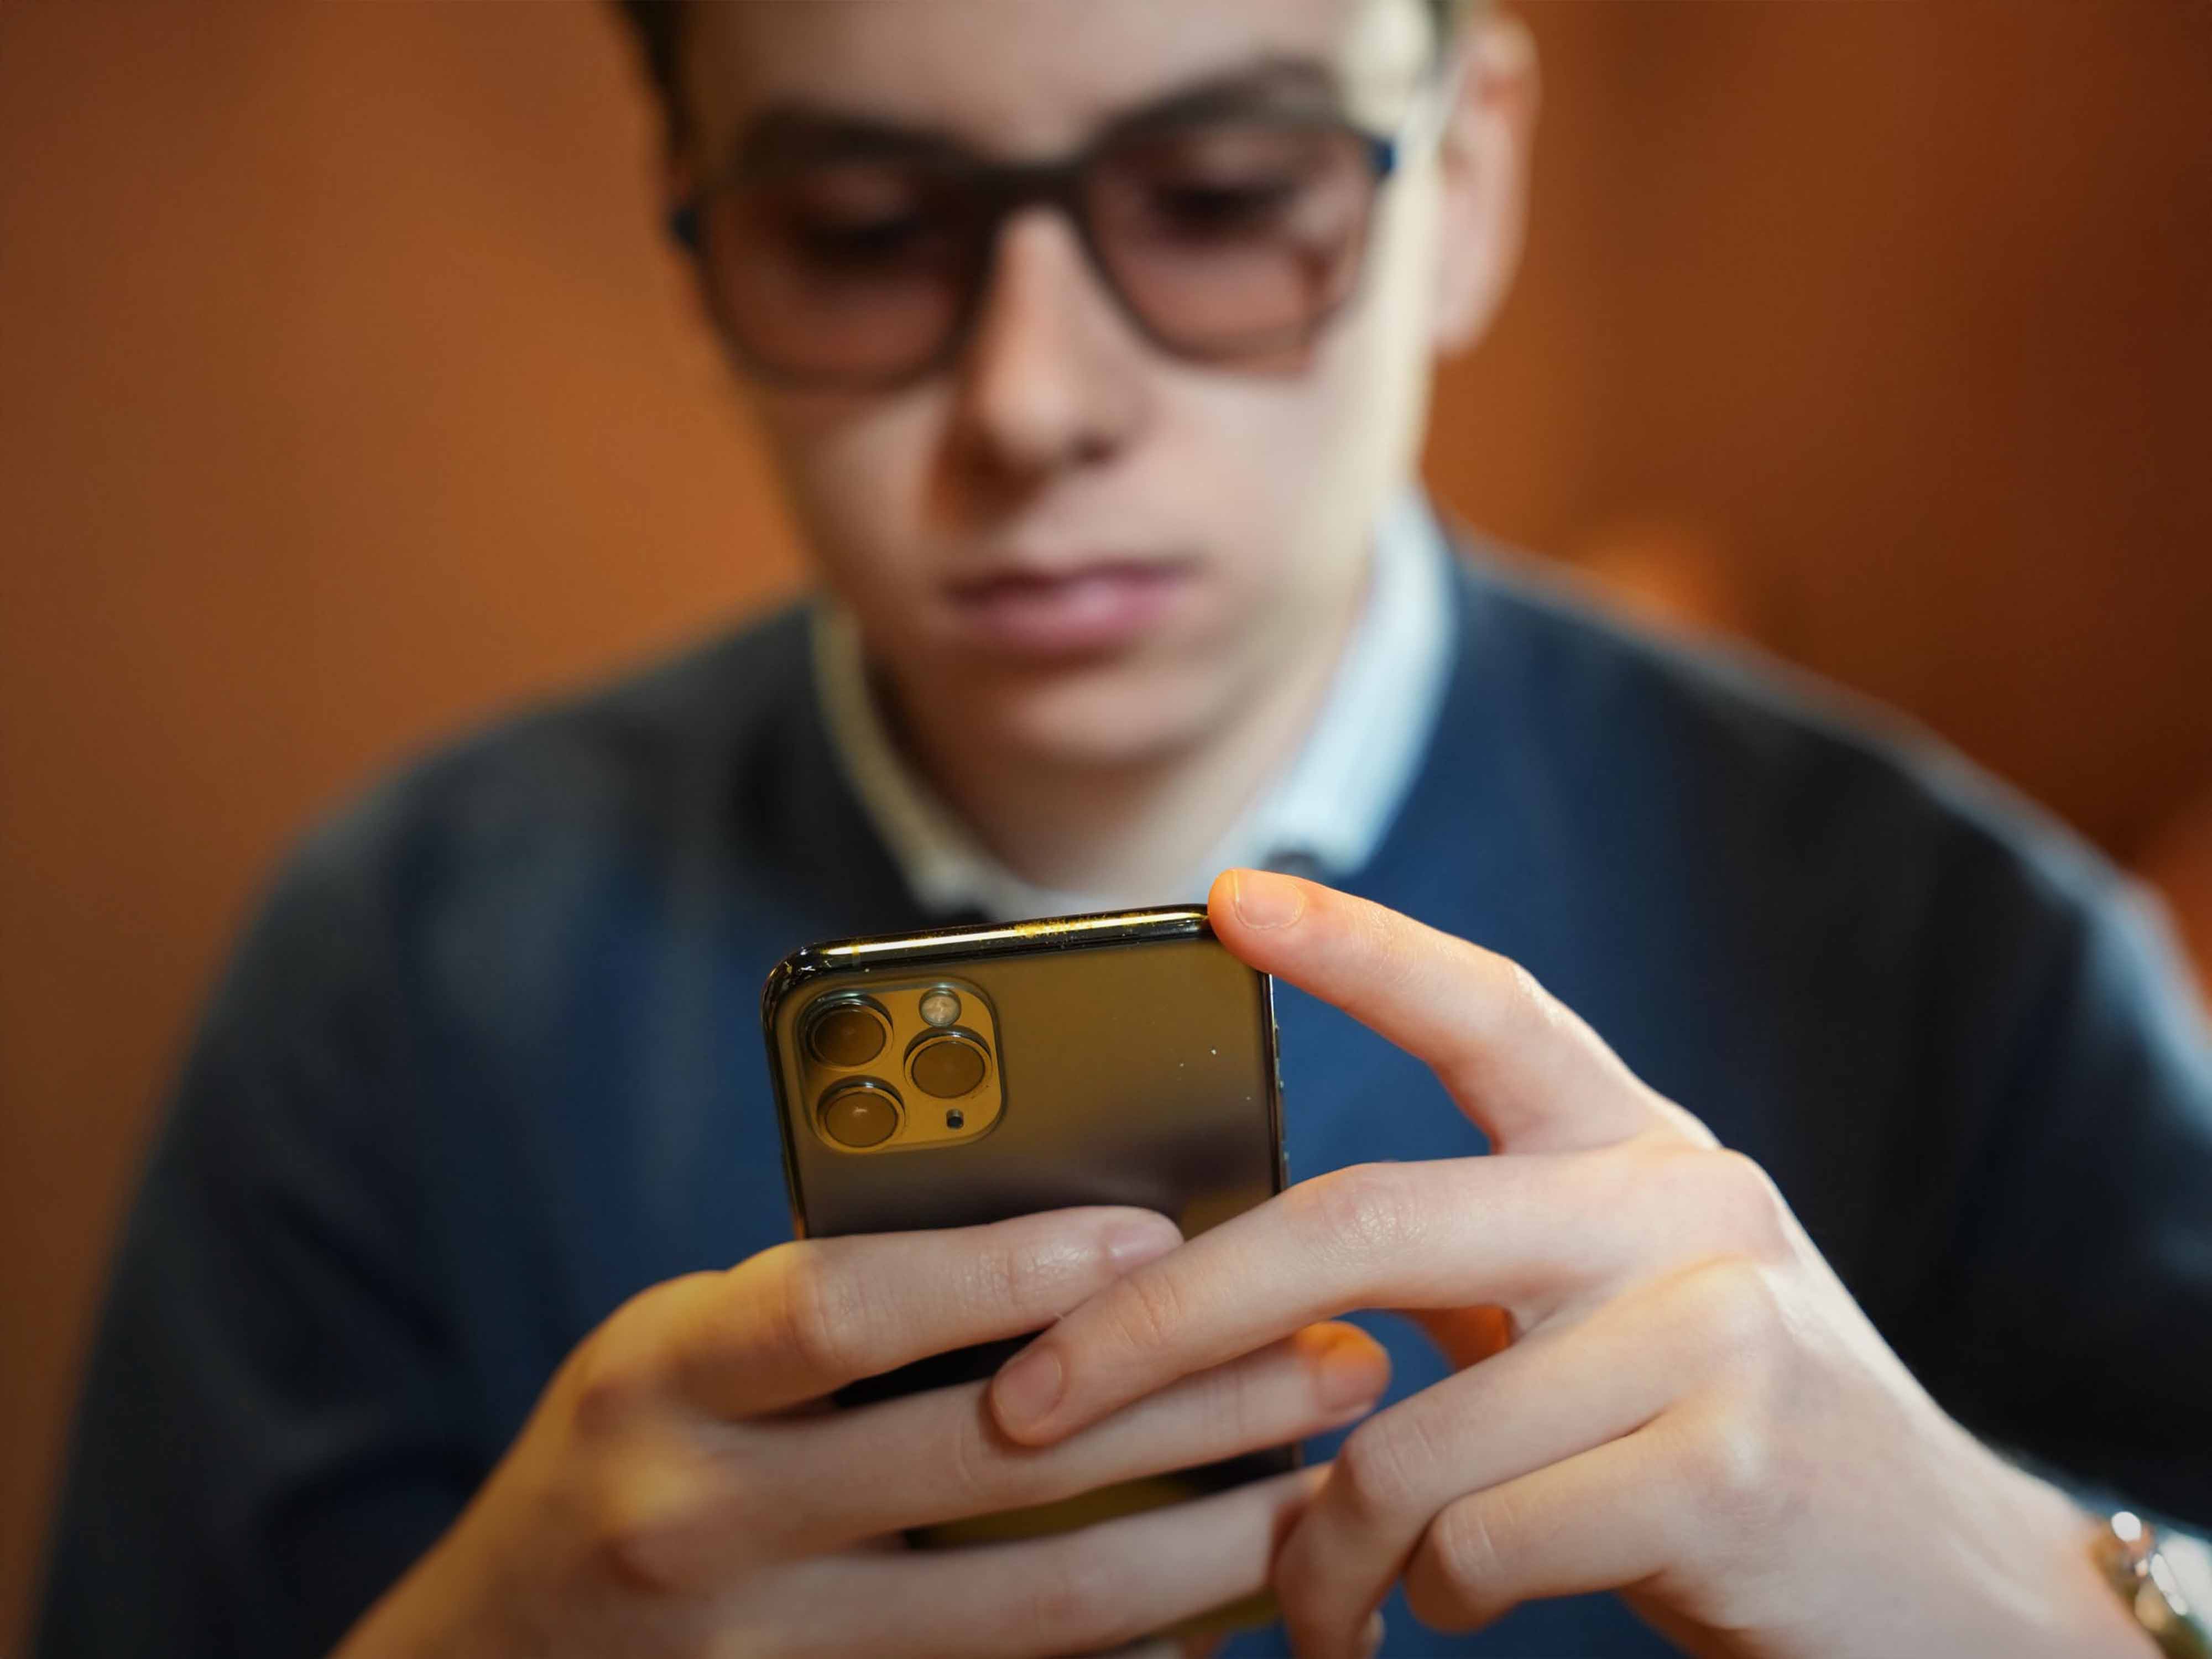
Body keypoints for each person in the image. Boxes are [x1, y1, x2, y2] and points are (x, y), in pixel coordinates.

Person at [32, 2, 2212, 1655]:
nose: (1033, 404)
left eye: (1222, 199)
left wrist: (2048, 1597)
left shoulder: (1989, 970)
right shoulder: (387, 980)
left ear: (1462, 190)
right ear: (701, 249)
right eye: (864, 232)